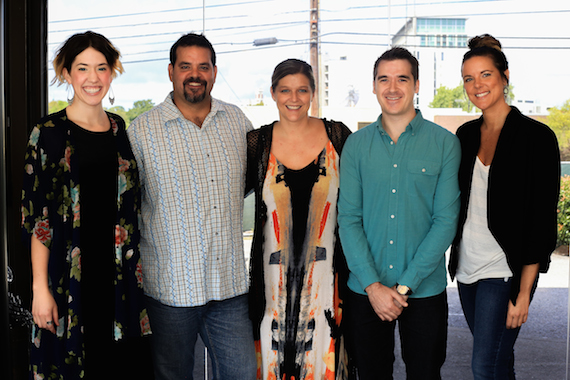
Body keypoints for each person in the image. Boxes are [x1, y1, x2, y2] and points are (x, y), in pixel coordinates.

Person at [21, 31, 151, 379]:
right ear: (66, 73)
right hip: (69, 281)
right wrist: (39, 290)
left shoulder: (118, 129)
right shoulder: (47, 132)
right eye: (82, 68)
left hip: (120, 282)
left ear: (112, 72)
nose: (93, 78)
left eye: (101, 68)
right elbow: (38, 220)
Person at [127, 33, 256, 380]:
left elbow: (249, 184)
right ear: (171, 71)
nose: (194, 74)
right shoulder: (141, 131)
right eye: (185, 66)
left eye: (203, 66)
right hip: (170, 291)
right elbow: (129, 204)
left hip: (228, 288)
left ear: (214, 72)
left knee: (242, 373)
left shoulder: (238, 122)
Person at [337, 47, 461, 380]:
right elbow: (348, 218)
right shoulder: (356, 145)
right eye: (384, 79)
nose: (393, 88)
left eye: (402, 79)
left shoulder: (445, 144)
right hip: (366, 291)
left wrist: (404, 286)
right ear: (374, 86)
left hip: (424, 291)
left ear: (417, 84)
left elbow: (445, 221)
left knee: (425, 374)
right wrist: (374, 286)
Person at [448, 34, 560, 380]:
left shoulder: (536, 138)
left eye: (486, 75)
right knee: (498, 363)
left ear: (504, 76)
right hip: (467, 271)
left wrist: (524, 292)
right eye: (469, 78)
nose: (477, 85)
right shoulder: (463, 137)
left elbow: (541, 221)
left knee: (482, 366)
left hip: (505, 273)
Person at [247, 58, 352, 380]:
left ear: (313, 93)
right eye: (285, 90)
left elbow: (358, 203)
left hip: (329, 285)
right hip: (271, 290)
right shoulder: (257, 144)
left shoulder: (338, 136)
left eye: (302, 90)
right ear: (273, 93)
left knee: (324, 364)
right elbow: (223, 199)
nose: (294, 98)